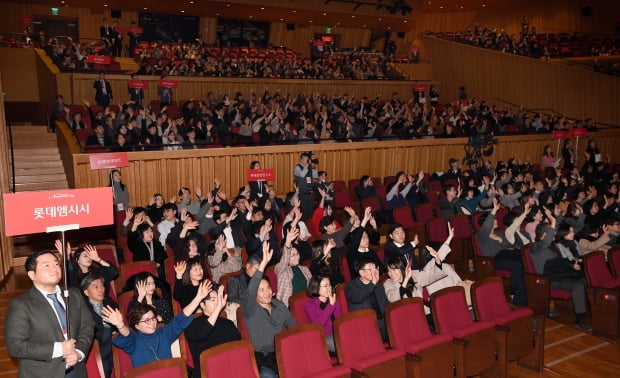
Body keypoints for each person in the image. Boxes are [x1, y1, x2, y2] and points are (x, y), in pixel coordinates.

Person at [5, 250, 95, 378]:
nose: (54, 268)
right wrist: (58, 348)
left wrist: (79, 352)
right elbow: (16, 346)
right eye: (46, 265)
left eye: (56, 264)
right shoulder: (21, 304)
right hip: (42, 373)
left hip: (76, 371)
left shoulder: (74, 294)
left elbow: (88, 325)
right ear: (32, 275)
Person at [102, 280, 211, 368]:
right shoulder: (134, 342)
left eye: (153, 318)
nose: (152, 323)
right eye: (146, 320)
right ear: (137, 326)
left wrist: (198, 298)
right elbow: (127, 335)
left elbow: (181, 319)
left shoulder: (163, 333)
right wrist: (120, 325)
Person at [243, 242, 296, 377]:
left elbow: (294, 327)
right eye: (261, 290)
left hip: (283, 350)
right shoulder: (250, 310)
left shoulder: (279, 305)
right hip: (263, 357)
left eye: (268, 288)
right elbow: (250, 290)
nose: (266, 292)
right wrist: (263, 264)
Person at [530, 222, 590, 330]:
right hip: (547, 280)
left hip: (558, 275)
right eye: (551, 232)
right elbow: (552, 262)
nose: (555, 234)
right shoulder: (536, 246)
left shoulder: (553, 246)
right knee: (578, 285)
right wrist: (553, 222)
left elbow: (560, 263)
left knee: (585, 279)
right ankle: (579, 318)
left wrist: (572, 265)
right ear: (544, 235)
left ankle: (592, 311)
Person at [184, 285, 241, 378]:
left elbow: (238, 347)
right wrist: (218, 308)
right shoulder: (192, 324)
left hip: (231, 369)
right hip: (208, 372)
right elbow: (202, 333)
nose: (217, 303)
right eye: (213, 300)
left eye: (218, 299)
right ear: (202, 305)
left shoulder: (228, 323)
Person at [80, 274, 117, 378]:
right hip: (98, 347)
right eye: (95, 286)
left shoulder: (111, 304)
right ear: (86, 292)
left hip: (114, 343)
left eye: (102, 286)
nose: (101, 289)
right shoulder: (83, 310)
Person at [344, 257, 389, 341]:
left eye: (375, 268)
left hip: (382, 322)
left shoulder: (378, 286)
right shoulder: (351, 286)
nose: (375, 271)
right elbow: (358, 298)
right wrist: (372, 284)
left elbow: (386, 304)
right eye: (370, 269)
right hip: (365, 325)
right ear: (362, 273)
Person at [304, 276, 342, 353]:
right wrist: (331, 306)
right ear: (316, 288)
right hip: (324, 336)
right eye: (325, 286)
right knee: (340, 344)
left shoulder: (335, 301)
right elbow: (319, 324)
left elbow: (340, 321)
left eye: (329, 285)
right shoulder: (310, 305)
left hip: (338, 333)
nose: (329, 288)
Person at [276, 228, 313, 306]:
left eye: (297, 254)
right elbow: (284, 260)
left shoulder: (304, 269)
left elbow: (311, 288)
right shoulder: (281, 269)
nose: (297, 257)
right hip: (290, 306)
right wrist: (288, 242)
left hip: (308, 303)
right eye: (293, 255)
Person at [293, 152, 319, 220]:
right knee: (303, 214)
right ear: (301, 160)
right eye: (306, 160)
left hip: (310, 194)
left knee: (310, 213)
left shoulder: (309, 168)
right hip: (302, 194)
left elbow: (316, 176)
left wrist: (313, 167)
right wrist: (307, 166)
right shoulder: (297, 167)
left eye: (308, 160)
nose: (307, 161)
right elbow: (302, 175)